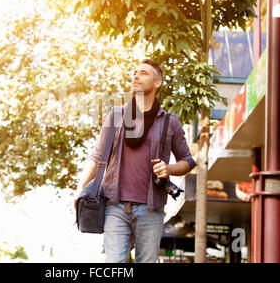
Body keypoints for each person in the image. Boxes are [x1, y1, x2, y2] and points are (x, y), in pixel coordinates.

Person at [73, 59, 196, 263]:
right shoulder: (116, 116)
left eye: (143, 73)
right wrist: (80, 190)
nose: (136, 76)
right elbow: (96, 156)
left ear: (157, 83)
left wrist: (169, 168)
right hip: (114, 206)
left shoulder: (169, 121)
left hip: (151, 209)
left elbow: (188, 161)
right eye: (135, 72)